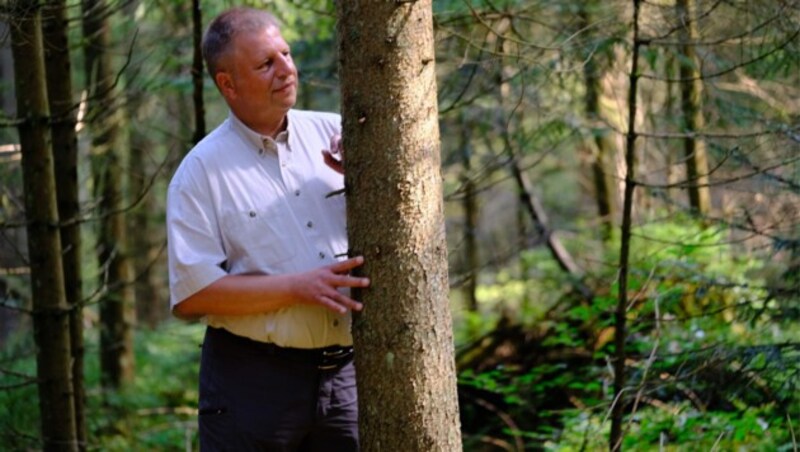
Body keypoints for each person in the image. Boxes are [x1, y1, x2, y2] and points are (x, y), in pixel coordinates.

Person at [166, 7, 369, 451]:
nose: (287, 69)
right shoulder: (200, 173)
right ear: (228, 84)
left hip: (350, 380)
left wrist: (366, 180)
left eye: (286, 53)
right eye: (266, 64)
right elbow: (191, 296)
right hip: (252, 385)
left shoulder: (336, 134)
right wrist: (296, 287)